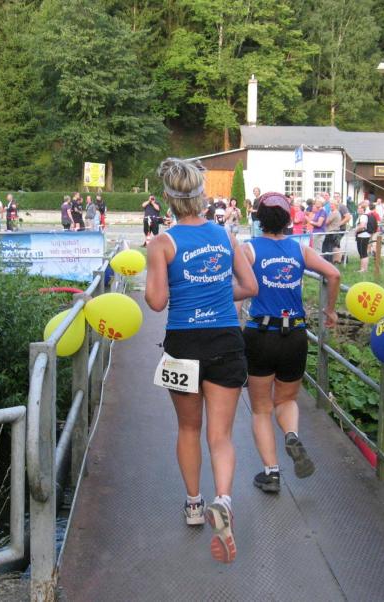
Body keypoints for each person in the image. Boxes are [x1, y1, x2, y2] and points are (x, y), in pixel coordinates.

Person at [145, 157, 257, 564]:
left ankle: (194, 504)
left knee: (189, 428)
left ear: (168, 198)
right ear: (202, 196)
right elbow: (250, 286)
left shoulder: (162, 243)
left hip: (183, 342)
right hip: (225, 337)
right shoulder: (225, 235)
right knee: (221, 435)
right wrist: (217, 293)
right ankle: (223, 500)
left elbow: (156, 302)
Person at [241, 192, 339, 494]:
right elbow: (333, 273)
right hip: (295, 334)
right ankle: (292, 434)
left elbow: (238, 289)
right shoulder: (299, 249)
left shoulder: (248, 249)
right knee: (286, 400)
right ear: (287, 219)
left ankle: (271, 474)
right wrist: (330, 310)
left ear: (258, 218)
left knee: (261, 409)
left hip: (260, 333)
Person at [355, 204, 375, 272]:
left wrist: (356, 230)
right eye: (358, 208)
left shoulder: (363, 216)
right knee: (363, 252)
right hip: (363, 235)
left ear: (363, 209)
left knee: (362, 252)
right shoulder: (362, 216)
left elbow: (362, 226)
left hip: (362, 236)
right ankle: (363, 268)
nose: (358, 210)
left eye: (360, 208)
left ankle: (363, 269)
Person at [334, 192, 352, 264]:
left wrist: (339, 224)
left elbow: (348, 217)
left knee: (336, 243)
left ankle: (338, 261)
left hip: (340, 229)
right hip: (334, 229)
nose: (335, 198)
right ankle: (337, 260)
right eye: (334, 197)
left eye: (337, 196)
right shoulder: (333, 206)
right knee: (334, 243)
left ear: (340, 198)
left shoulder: (342, 206)